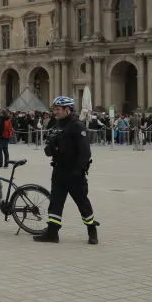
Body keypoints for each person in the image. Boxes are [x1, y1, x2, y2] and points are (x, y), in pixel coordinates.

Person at [35, 96, 99, 245]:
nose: (55, 112)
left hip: (75, 173)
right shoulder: (56, 125)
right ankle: (52, 233)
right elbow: (49, 149)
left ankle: (92, 230)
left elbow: (85, 152)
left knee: (82, 203)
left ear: (67, 110)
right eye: (54, 109)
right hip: (59, 171)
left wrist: (78, 170)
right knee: (55, 203)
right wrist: (51, 147)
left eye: (58, 109)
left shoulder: (77, 126)